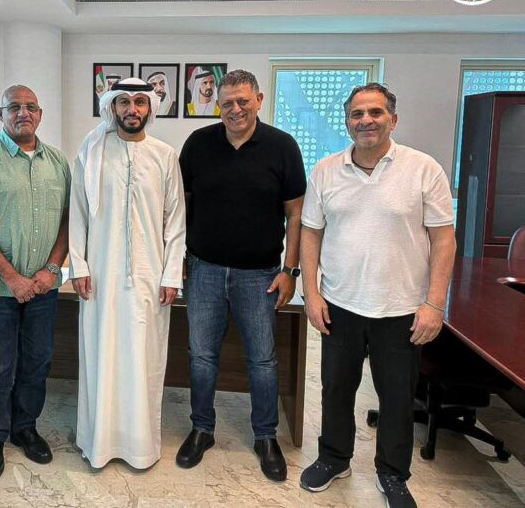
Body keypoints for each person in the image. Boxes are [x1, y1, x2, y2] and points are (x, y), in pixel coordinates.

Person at [299, 83, 456, 508]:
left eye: (375, 112)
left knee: (397, 397)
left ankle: (392, 473)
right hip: (340, 304)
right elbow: (310, 233)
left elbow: (443, 238)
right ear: (347, 122)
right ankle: (334, 458)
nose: (366, 120)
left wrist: (434, 303)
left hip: (401, 308)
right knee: (336, 389)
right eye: (357, 114)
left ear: (393, 119)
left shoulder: (423, 169)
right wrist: (311, 293)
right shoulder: (326, 170)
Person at [176, 69, 306, 482]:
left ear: (259, 100)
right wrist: (176, 258)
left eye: (243, 101)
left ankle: (265, 436)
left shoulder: (282, 147)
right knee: (201, 356)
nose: (235, 109)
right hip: (203, 270)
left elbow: (296, 214)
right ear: (218, 105)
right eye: (228, 103)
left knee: (263, 360)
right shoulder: (198, 144)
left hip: (260, 275)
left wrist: (290, 270)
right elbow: (180, 207)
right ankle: (202, 429)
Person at [69, 77, 186, 469]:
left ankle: (140, 447)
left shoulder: (165, 155)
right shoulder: (91, 151)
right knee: (101, 356)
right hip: (99, 277)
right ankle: (99, 442)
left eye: (139, 101)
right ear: (112, 107)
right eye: (123, 102)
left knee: (143, 357)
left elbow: (176, 221)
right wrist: (79, 265)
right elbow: (78, 213)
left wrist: (171, 274)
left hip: (150, 276)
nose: (131, 109)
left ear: (150, 107)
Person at [0, 85, 70, 478]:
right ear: (0, 113)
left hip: (42, 287)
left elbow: (68, 221)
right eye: (14, 107)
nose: (23, 113)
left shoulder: (58, 162)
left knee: (37, 362)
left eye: (30, 107)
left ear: (40, 114)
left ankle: (25, 428)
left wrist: (50, 269)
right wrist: (12, 278)